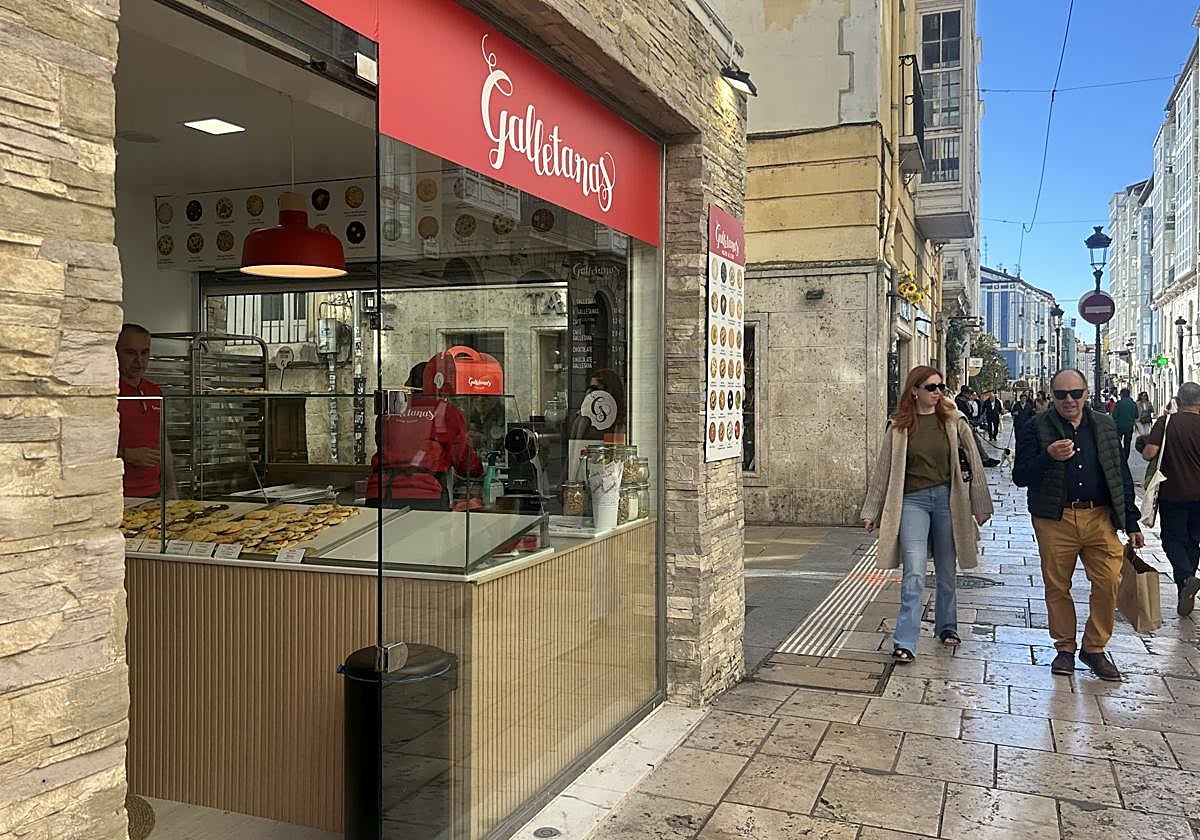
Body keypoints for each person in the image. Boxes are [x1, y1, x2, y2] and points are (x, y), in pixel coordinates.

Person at [1013, 368, 1144, 681]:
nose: (1069, 400)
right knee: (1057, 585)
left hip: (1099, 516)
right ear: (1052, 396)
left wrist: (1131, 521)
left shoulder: (1104, 424)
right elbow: (1021, 475)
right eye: (1061, 394)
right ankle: (1065, 648)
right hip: (1055, 518)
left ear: (1087, 394)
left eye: (1075, 393)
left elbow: (1119, 473)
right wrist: (1048, 456)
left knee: (1109, 581)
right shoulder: (1036, 425)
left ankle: (1095, 647)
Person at [861, 366, 993, 664]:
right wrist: (872, 510)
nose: (938, 393)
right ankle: (905, 641)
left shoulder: (954, 420)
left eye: (941, 388)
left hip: (948, 500)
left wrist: (980, 505)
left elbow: (974, 460)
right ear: (914, 390)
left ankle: (947, 626)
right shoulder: (898, 426)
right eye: (931, 388)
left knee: (947, 570)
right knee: (914, 572)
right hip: (912, 502)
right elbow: (884, 469)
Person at [366, 361, 482, 509]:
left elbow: (384, 445)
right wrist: (478, 470)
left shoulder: (390, 411)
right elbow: (461, 458)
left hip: (378, 493)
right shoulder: (445, 411)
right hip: (424, 494)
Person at [1141, 382, 1200, 616]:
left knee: (1173, 539)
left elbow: (1149, 453)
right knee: (1193, 540)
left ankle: (1186, 578)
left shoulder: (1166, 423)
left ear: (1178, 400)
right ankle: (1184, 587)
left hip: (1173, 493)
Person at [116, 323, 175, 498]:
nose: (139, 361)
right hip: (119, 494)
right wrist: (126, 454)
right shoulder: (104, 394)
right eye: (131, 353)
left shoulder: (154, 391)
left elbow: (162, 441)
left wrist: (171, 488)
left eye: (144, 353)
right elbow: (87, 446)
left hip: (154, 492)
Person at [1112, 387, 1139, 462]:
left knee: (1118, 443)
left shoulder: (1119, 404)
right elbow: (1136, 415)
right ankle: (1125, 459)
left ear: (1122, 395)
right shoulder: (1133, 404)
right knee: (1127, 444)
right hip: (1129, 427)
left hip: (1119, 427)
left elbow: (1114, 415)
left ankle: (1119, 457)